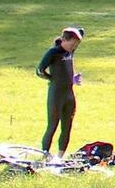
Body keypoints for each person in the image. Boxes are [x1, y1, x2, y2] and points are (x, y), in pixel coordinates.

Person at [36, 26, 84, 157]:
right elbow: (39, 70)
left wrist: (71, 79)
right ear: (64, 40)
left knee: (67, 127)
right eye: (72, 43)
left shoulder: (71, 51)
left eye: (76, 44)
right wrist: (53, 79)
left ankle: (59, 158)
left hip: (69, 94)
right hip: (56, 94)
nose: (73, 47)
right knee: (52, 126)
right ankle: (45, 155)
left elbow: (81, 31)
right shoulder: (53, 52)